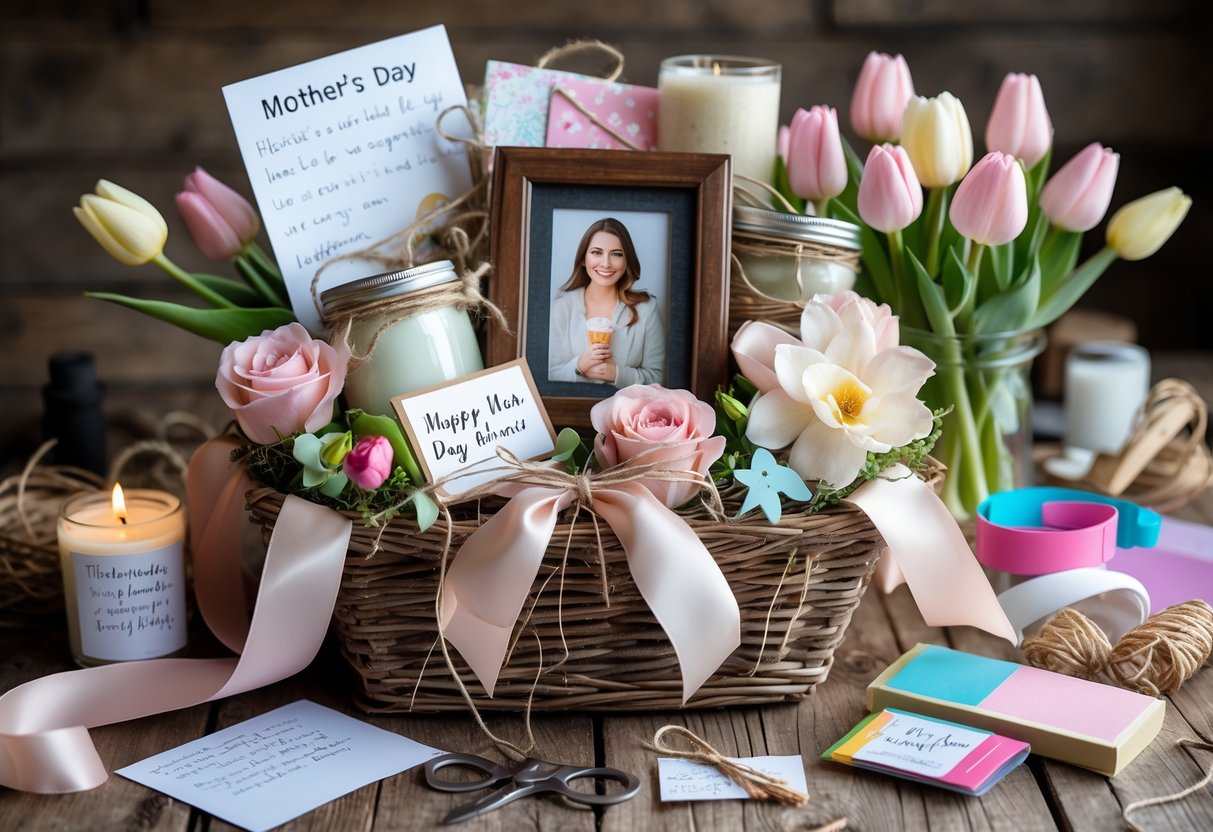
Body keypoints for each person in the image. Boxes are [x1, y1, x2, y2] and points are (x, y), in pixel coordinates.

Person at [548, 217, 665, 386]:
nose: (606, 263)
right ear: (583, 258)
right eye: (596, 252)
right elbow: (545, 374)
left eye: (616, 254)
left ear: (627, 260)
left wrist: (617, 374)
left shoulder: (647, 309)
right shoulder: (560, 307)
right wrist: (579, 366)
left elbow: (660, 377)